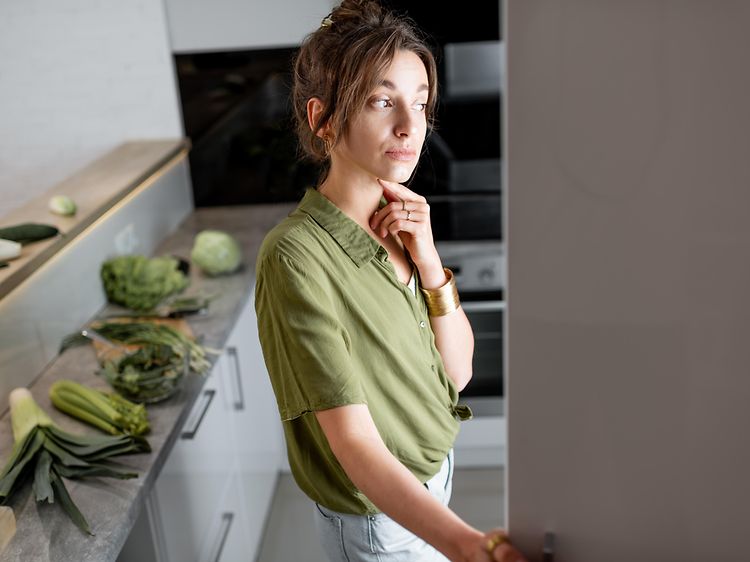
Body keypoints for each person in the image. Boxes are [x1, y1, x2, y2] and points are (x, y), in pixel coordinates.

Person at [254, 1, 527, 561]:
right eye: (383, 101)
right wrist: (468, 545)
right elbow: (353, 443)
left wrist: (428, 260)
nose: (411, 126)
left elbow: (458, 373)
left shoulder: (399, 217)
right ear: (322, 118)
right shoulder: (296, 257)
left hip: (432, 481)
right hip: (379, 521)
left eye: (420, 103)